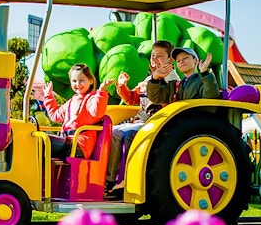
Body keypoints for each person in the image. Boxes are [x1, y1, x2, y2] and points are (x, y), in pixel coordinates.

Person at [104, 40, 178, 197]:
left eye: (160, 56)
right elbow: (132, 98)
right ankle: (109, 180)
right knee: (112, 131)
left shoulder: (171, 80)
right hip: (141, 121)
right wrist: (122, 86)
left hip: (157, 123)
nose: (155, 59)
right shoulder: (148, 79)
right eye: (152, 56)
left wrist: (156, 79)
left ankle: (124, 180)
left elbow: (164, 102)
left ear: (170, 59)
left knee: (125, 135)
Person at [43, 63, 109, 159]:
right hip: (66, 141)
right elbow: (56, 116)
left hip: (80, 144)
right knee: (38, 141)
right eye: (74, 81)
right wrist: (48, 96)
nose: (77, 84)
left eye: (81, 80)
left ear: (90, 81)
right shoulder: (72, 101)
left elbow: (97, 112)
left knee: (44, 144)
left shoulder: (92, 98)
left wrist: (102, 92)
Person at [146, 46, 220, 104]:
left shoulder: (202, 81)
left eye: (185, 58)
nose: (181, 61)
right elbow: (155, 98)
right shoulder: (174, 85)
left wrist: (204, 72)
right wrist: (155, 77)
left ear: (195, 61)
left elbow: (211, 97)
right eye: (178, 61)